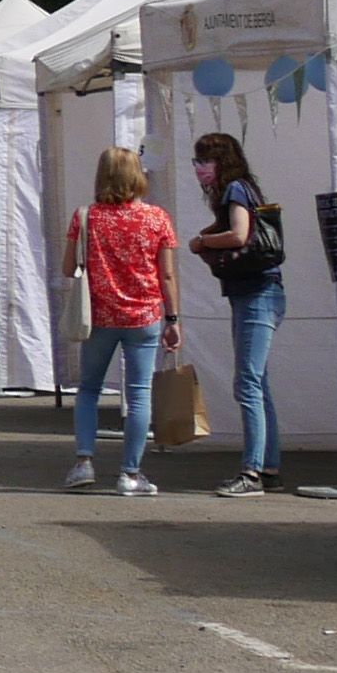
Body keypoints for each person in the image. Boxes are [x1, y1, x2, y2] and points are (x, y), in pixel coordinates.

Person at [62, 146, 180, 497]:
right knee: (139, 393)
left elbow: (68, 268)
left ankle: (84, 462)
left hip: (98, 315)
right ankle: (130, 473)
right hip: (144, 316)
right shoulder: (157, 218)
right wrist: (172, 318)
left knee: (89, 389)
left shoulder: (85, 217)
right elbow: (168, 275)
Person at [188, 133, 290, 497]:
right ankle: (269, 466)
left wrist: (202, 242)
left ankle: (252, 472)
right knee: (257, 383)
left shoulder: (235, 190)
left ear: (219, 161)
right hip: (257, 293)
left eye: (204, 161)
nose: (199, 168)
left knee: (247, 382)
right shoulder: (245, 188)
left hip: (256, 294)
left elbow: (239, 234)